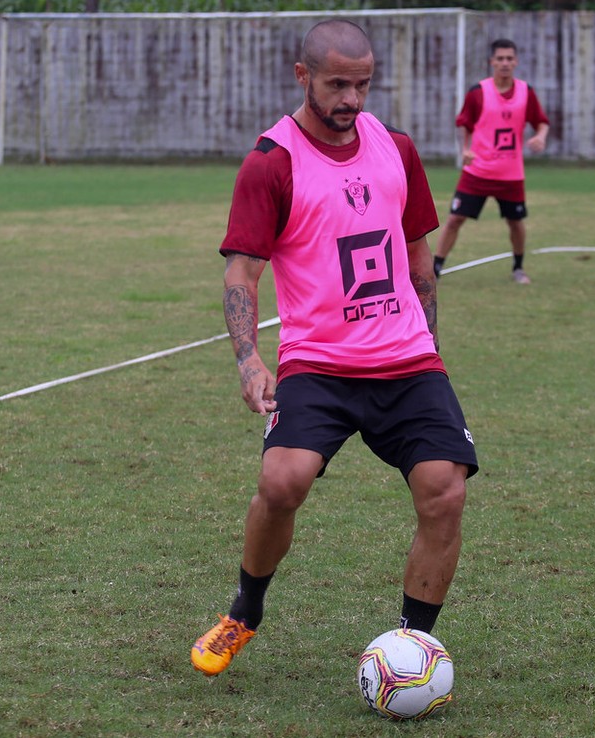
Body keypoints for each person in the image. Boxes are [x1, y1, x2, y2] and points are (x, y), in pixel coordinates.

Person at [190, 19, 478, 678]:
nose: (351, 99)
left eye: (363, 85)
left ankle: (412, 646)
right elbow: (242, 272)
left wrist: (430, 350)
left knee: (445, 492)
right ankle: (245, 612)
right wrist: (248, 360)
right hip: (319, 363)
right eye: (337, 84)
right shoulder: (273, 161)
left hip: (406, 360)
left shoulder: (395, 149)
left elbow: (418, 260)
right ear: (303, 77)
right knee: (280, 481)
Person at [433, 39, 550, 284]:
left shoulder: (525, 92)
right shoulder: (478, 92)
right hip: (478, 172)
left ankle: (518, 268)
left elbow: (541, 121)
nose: (505, 63)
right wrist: (464, 149)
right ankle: (435, 268)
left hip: (511, 174)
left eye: (510, 58)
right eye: (500, 59)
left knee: (515, 222)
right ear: (492, 62)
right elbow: (463, 123)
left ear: (516, 62)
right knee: (455, 219)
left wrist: (540, 136)